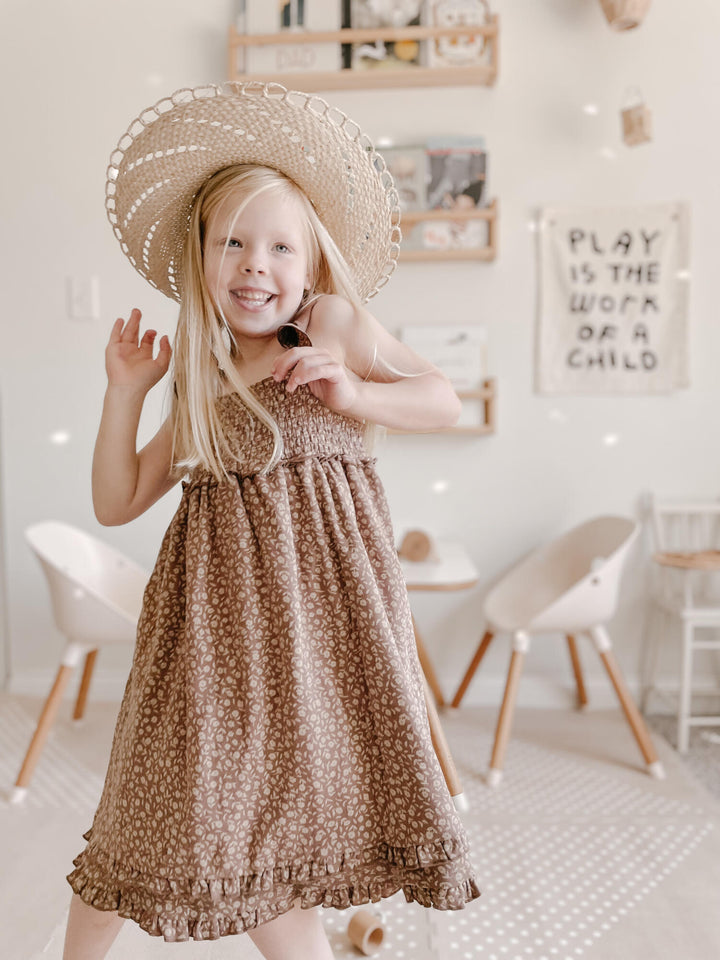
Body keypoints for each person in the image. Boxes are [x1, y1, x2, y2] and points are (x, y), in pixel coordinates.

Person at [62, 82, 480, 960]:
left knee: (276, 840)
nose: (257, 263)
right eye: (234, 243)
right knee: (144, 824)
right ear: (203, 261)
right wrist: (123, 394)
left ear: (311, 261)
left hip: (323, 640)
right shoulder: (202, 382)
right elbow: (116, 499)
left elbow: (443, 400)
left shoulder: (327, 327)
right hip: (210, 648)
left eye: (279, 246)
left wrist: (355, 389)